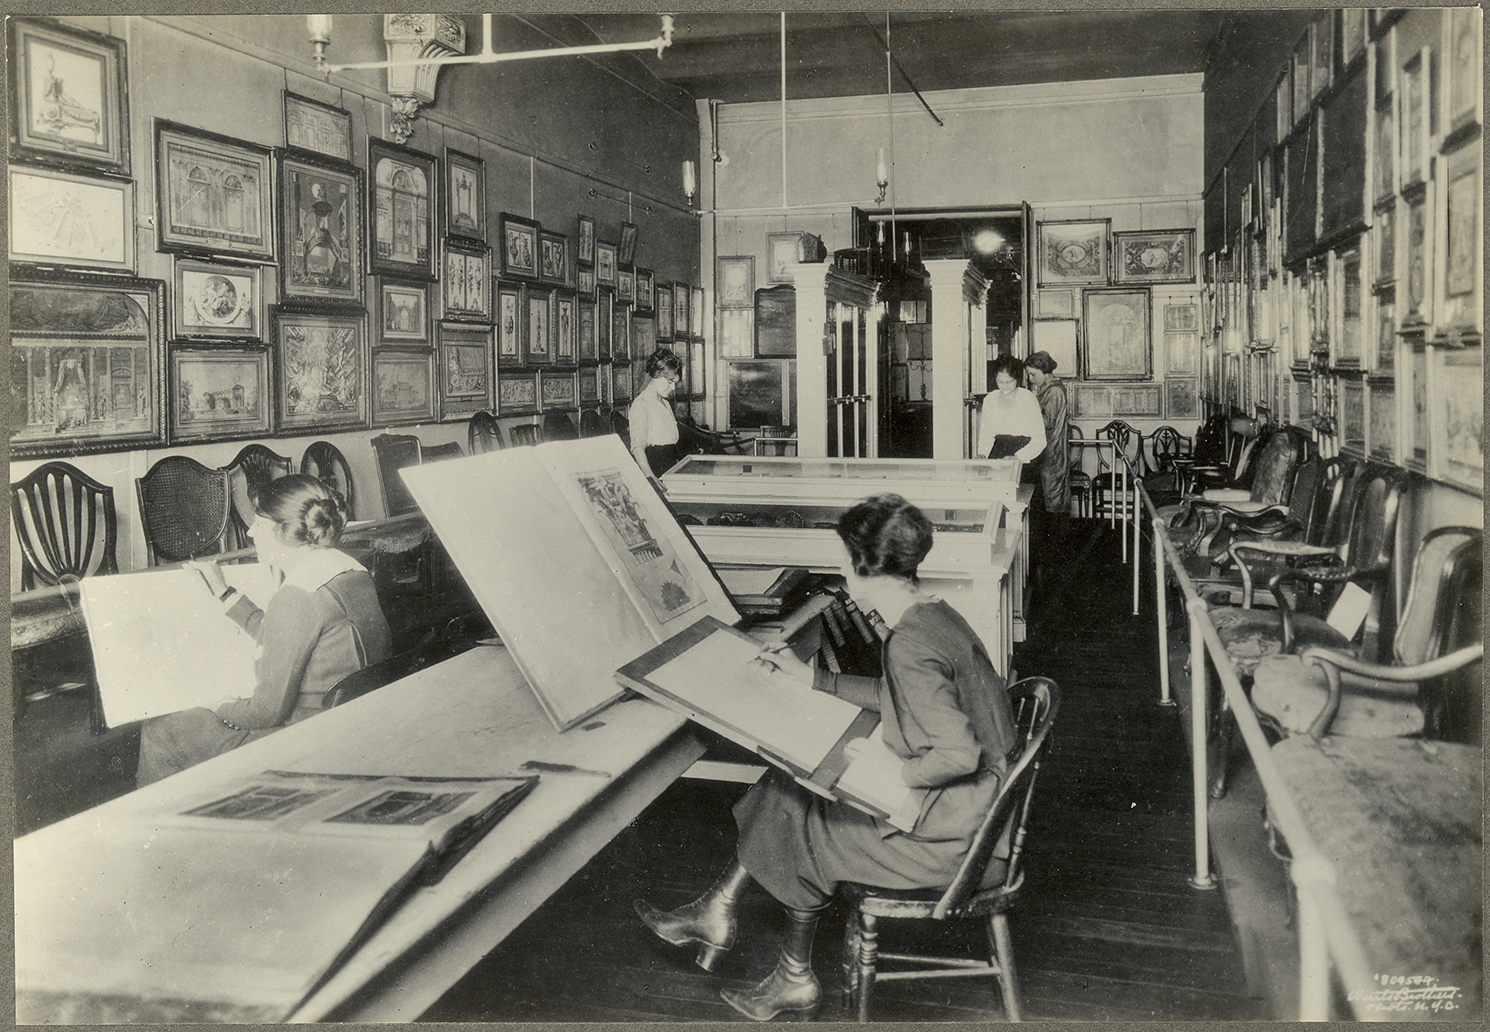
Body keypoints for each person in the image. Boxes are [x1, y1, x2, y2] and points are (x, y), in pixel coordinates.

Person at [633, 493, 1018, 1021]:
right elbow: (903, 697)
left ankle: (785, 971)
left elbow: (957, 750)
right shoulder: (933, 615)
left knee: (804, 815)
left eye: (844, 558)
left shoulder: (909, 642)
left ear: (864, 566)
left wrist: (896, 771)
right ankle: (718, 913)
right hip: (981, 812)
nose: (840, 569)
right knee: (786, 784)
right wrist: (814, 678)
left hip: (962, 840)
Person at [136, 474, 392, 786]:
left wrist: (218, 705)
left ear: (285, 530)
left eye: (259, 522)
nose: (250, 531)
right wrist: (225, 593)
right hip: (348, 723)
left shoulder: (296, 595)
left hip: (302, 741)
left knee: (161, 728)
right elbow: (285, 634)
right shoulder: (349, 569)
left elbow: (266, 712)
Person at [1023, 350, 1071, 554]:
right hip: (1047, 452)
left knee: (1053, 500)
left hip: (1052, 452)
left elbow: (1047, 422)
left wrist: (1024, 412)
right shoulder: (1047, 389)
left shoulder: (1053, 391)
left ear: (1045, 371)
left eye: (1033, 374)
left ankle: (1057, 550)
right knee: (1048, 498)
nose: (1031, 379)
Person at [976, 354, 1046, 469]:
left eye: (1009, 382)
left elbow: (1040, 440)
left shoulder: (1027, 398)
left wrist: (1018, 457)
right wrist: (982, 454)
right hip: (998, 456)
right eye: (1000, 382)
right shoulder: (990, 400)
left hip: (1025, 457)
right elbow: (986, 435)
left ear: (1017, 379)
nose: (1004, 387)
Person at [629, 347, 684, 477]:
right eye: (670, 381)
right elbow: (638, 447)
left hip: (670, 465)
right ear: (656, 375)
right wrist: (650, 477)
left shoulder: (664, 402)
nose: (672, 388)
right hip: (655, 468)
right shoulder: (641, 404)